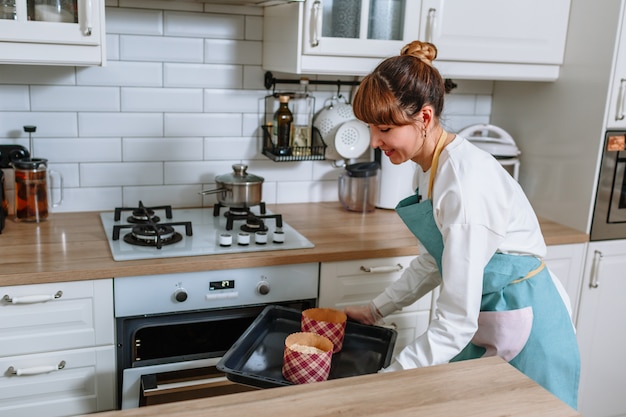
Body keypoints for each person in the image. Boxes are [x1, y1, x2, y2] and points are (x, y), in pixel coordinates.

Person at [345, 40, 580, 410]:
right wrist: (375, 310)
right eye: (372, 128)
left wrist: (386, 382)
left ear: (423, 118)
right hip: (492, 317)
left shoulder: (464, 185)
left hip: (527, 330)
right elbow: (432, 260)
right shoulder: (430, 167)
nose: (375, 142)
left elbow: (455, 321)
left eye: (385, 129)